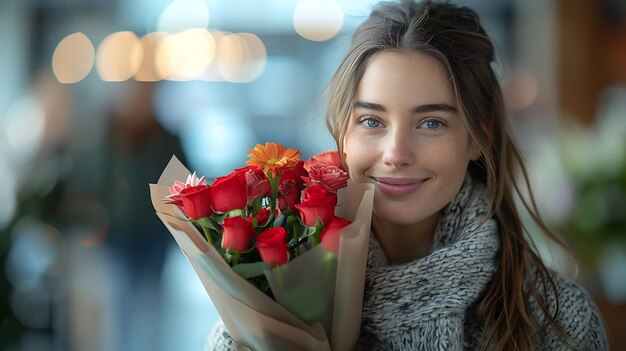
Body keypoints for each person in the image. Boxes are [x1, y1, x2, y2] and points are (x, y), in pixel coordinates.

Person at [206, 1, 609, 349]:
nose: (396, 154)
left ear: (478, 136)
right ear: (342, 130)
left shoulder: (556, 318)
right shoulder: (273, 298)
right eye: (371, 120)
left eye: (431, 123)